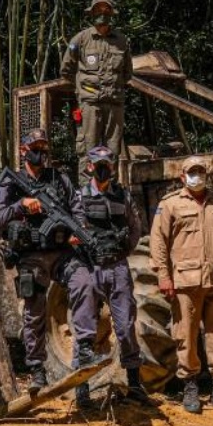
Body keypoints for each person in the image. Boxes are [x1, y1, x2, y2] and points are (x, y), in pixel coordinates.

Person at [150, 157, 213, 416]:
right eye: (192, 172)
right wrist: (163, 276)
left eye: (201, 171)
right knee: (186, 335)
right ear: (182, 177)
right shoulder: (170, 204)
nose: (197, 176)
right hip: (184, 282)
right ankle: (190, 386)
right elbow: (158, 242)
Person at [0, 128, 80, 393]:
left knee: (85, 285)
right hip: (30, 255)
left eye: (44, 148)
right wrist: (22, 205)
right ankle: (37, 370)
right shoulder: (12, 183)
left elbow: (76, 207)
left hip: (62, 253)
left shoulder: (59, 179)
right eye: (35, 147)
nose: (40, 153)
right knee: (34, 312)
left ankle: (82, 355)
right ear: (23, 151)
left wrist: (78, 229)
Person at [66, 145, 152, 409]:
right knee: (85, 331)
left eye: (107, 163)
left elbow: (135, 228)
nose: (102, 168)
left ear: (112, 167)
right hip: (89, 267)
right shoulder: (79, 197)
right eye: (97, 163)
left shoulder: (122, 196)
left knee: (126, 327)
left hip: (116, 266)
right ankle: (82, 390)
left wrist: (122, 251)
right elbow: (68, 230)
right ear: (89, 166)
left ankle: (135, 384)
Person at [60, 0, 133, 156]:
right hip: (90, 104)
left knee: (113, 149)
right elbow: (66, 70)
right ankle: (87, 182)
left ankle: (110, 182)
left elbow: (127, 73)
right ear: (91, 13)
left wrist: (113, 88)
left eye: (106, 9)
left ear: (112, 13)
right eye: (98, 9)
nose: (102, 12)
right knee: (88, 148)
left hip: (114, 103)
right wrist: (83, 88)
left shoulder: (122, 41)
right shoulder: (80, 39)